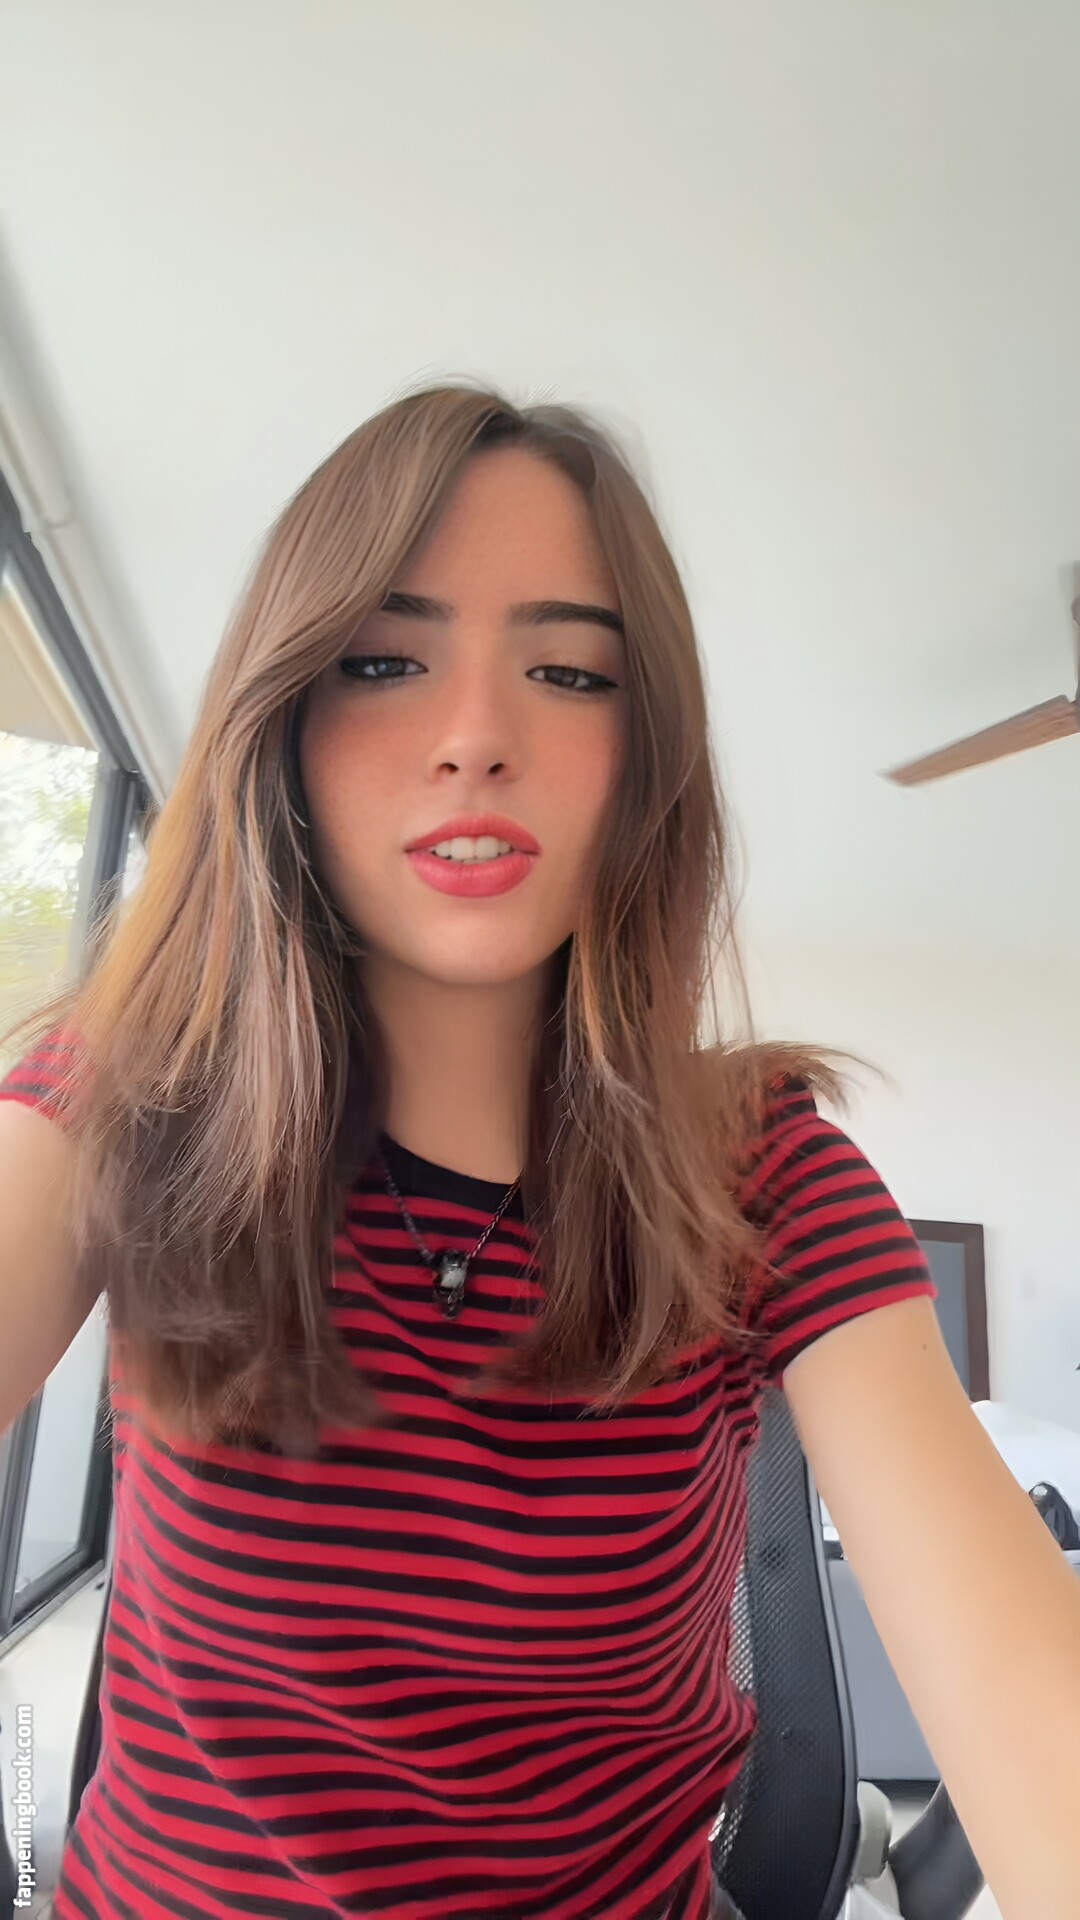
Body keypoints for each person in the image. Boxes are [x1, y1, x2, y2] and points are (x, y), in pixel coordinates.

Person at [1, 383, 1077, 1920]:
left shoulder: (759, 1177)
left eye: (569, 674)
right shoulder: (129, 1098)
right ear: (280, 722)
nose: (475, 741)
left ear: (645, 759)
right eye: (384, 662)